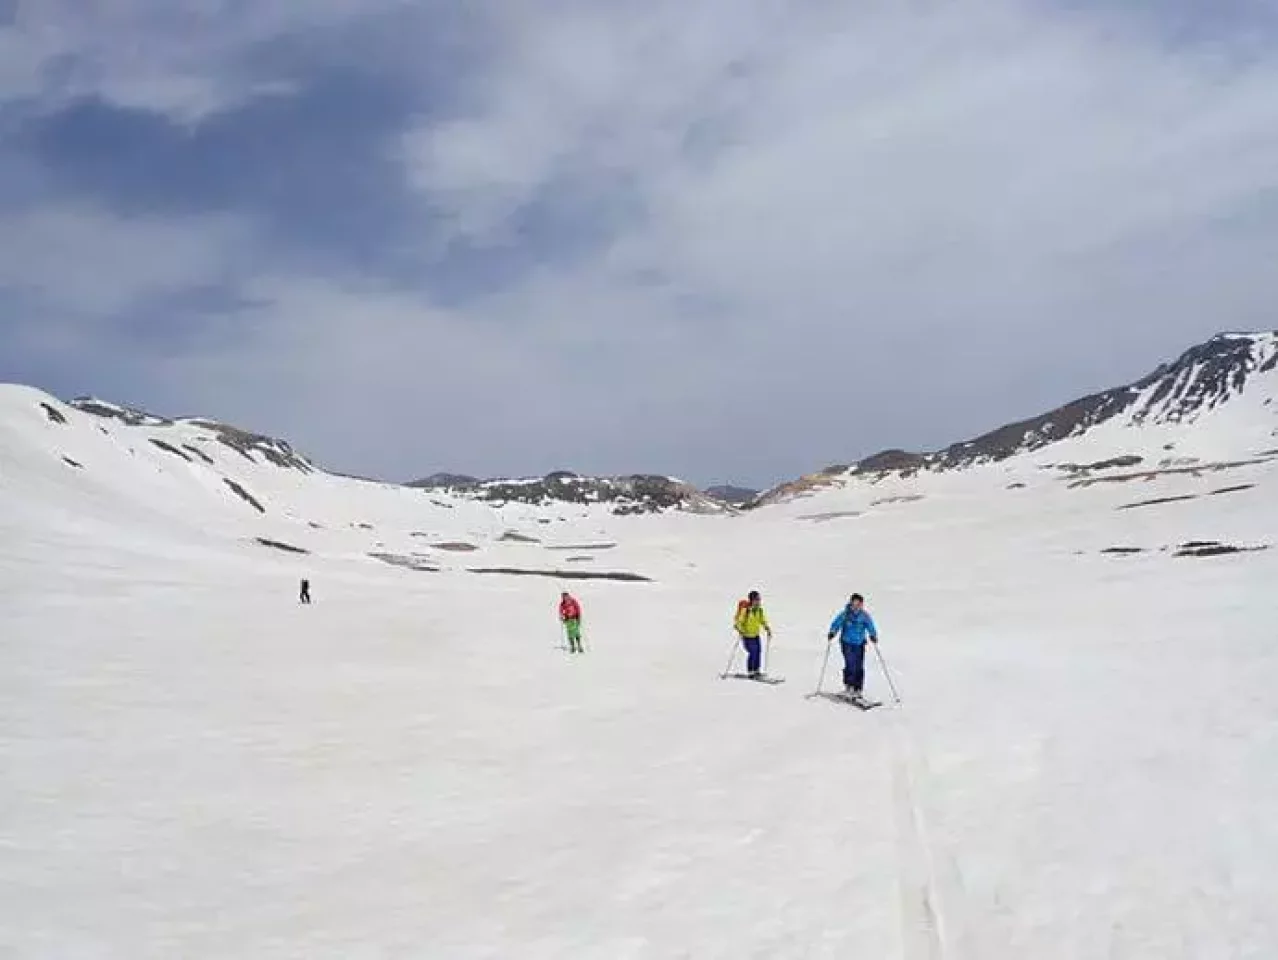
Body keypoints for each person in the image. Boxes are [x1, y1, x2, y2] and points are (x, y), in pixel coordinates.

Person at [827, 593, 878, 699]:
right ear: (850, 604)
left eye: (858, 605)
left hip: (859, 644)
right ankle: (849, 686)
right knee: (850, 664)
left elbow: (870, 625)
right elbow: (836, 623)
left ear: (861, 605)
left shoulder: (864, 616)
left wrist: (873, 635)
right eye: (854, 604)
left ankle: (858, 689)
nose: (856, 607)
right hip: (847, 643)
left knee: (858, 666)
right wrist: (832, 632)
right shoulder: (845, 614)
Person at [733, 590, 773, 677]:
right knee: (753, 652)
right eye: (757, 599)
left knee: (758, 651)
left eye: (759, 599)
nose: (759, 601)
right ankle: (751, 671)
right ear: (752, 600)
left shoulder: (759, 610)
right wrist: (740, 629)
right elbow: (739, 621)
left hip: (756, 635)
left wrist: (767, 628)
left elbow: (762, 620)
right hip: (747, 636)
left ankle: (756, 670)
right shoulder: (746, 610)